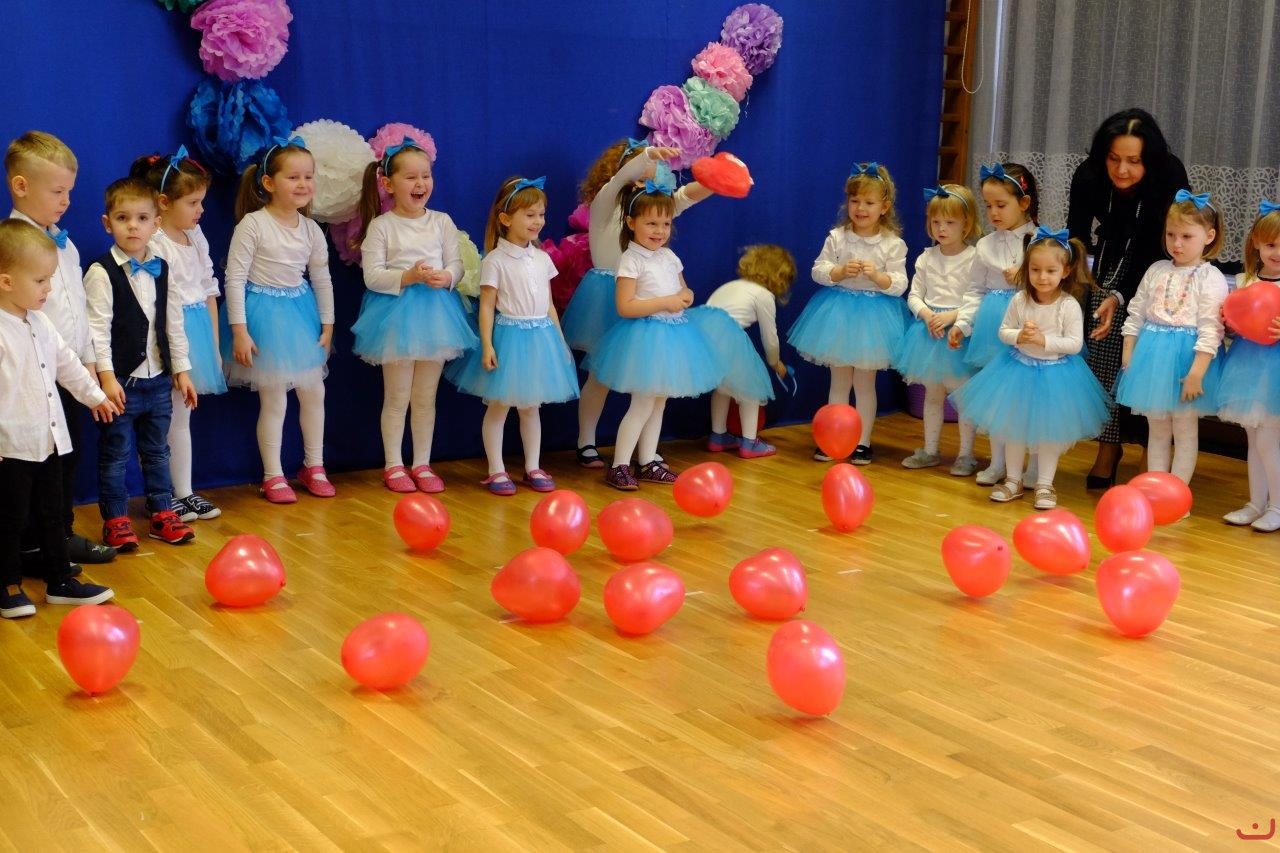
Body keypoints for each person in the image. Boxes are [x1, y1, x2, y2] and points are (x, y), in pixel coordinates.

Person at [562, 139, 712, 468]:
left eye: (653, 171)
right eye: (643, 170)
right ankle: (586, 441)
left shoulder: (649, 209)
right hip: (607, 295)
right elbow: (620, 180)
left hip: (647, 296)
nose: (648, 175)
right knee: (600, 375)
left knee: (649, 379)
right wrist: (645, 156)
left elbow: (684, 198)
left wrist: (717, 179)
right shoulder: (606, 204)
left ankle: (645, 451)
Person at [6, 130, 117, 567]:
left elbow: (78, 308)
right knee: (33, 468)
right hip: (33, 378)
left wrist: (90, 364)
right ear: (21, 186)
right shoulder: (12, 247)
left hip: (68, 372)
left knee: (66, 460)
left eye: (69, 191)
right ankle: (30, 545)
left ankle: (59, 535)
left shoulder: (64, 244)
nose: (66, 201)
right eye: (57, 191)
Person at [0, 220, 118, 618]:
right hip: (11, 448)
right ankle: (8, 584)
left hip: (50, 441)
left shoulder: (41, 322)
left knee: (54, 514)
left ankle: (60, 580)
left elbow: (67, 365)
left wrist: (95, 396)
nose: (48, 289)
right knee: (11, 518)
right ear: (6, 282)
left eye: (50, 279)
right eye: (40, 281)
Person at [1067, 108, 1190, 487]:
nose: (1122, 170)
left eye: (1134, 161)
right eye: (1114, 159)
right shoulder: (1088, 176)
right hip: (1109, 259)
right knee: (1102, 351)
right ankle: (1109, 445)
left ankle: (1151, 448)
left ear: (1149, 160)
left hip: (1161, 267)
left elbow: (1160, 242)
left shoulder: (1168, 175)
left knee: (1146, 360)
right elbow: (1076, 236)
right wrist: (1075, 287)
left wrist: (1122, 296)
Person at [951, 227, 1111, 509]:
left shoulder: (1068, 305)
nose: (1042, 277)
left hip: (1055, 375)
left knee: (1049, 436)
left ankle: (1045, 484)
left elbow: (1074, 344)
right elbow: (1003, 331)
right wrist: (1019, 336)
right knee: (1013, 430)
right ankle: (1013, 480)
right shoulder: (1019, 300)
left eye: (1050, 270)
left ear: (1066, 271)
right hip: (1017, 371)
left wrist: (1043, 340)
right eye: (1035, 270)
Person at [351, 138, 477, 493]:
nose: (420, 183)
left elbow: (456, 264)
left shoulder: (441, 222)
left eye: (426, 175)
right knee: (397, 397)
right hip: (396, 316)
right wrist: (407, 276)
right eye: (410, 177)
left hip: (437, 316)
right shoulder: (382, 226)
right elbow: (372, 276)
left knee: (425, 397)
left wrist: (447, 277)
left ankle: (422, 463)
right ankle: (393, 465)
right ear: (388, 184)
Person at [84, 177, 198, 548]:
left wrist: (181, 370)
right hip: (122, 383)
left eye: (142, 218)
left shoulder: (163, 268)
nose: (133, 226)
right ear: (107, 223)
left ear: (156, 224)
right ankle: (116, 519)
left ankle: (162, 512)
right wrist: (106, 378)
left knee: (157, 451)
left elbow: (173, 323)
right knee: (115, 454)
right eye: (123, 218)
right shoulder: (101, 272)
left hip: (159, 381)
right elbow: (97, 331)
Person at [447, 176, 579, 495]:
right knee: (499, 406)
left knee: (531, 407)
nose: (538, 221)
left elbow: (549, 304)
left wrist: (559, 341)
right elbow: (486, 306)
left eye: (541, 214)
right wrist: (487, 345)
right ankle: (496, 469)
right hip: (510, 339)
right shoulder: (495, 260)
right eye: (530, 215)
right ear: (506, 219)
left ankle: (532, 466)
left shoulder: (542, 258)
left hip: (541, 338)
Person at [590, 180, 724, 490]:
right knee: (642, 403)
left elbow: (682, 289)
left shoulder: (669, 257)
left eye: (665, 224)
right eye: (651, 223)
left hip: (673, 336)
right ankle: (619, 465)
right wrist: (665, 302)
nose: (659, 231)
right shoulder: (631, 259)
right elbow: (625, 306)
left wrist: (686, 295)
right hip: (645, 339)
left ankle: (648, 460)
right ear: (631, 223)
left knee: (659, 402)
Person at [223, 137, 336, 504]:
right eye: (293, 177)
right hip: (264, 317)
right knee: (274, 399)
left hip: (300, 315)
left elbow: (321, 278)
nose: (303, 184)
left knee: (314, 392)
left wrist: (328, 324)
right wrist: (239, 331)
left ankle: (314, 466)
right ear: (269, 183)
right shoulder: (253, 224)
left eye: (308, 177)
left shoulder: (311, 229)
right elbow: (234, 279)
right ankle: (273, 475)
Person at [788, 162, 908, 464]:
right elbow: (818, 270)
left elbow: (900, 284)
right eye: (855, 201)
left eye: (869, 202)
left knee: (865, 385)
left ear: (884, 207)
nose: (861, 208)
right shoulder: (837, 237)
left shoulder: (893, 244)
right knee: (839, 383)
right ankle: (834, 439)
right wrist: (839, 272)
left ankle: (862, 442)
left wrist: (878, 277)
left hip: (874, 319)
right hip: (838, 314)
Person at [134, 146, 226, 523]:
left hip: (196, 332)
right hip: (166, 334)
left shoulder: (196, 235)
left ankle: (184, 491)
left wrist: (214, 346)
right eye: (192, 203)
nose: (200, 210)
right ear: (164, 203)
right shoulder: (154, 241)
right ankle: (161, 494)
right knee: (159, 420)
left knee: (182, 419)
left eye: (201, 201)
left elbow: (208, 289)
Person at [1115, 191, 1229, 487]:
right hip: (1152, 358)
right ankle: (1156, 490)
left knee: (1185, 430)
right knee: (1157, 429)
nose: (1177, 243)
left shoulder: (1211, 277)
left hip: (1187, 361)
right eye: (1171, 235)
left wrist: (1196, 374)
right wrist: (1129, 352)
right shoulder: (1156, 270)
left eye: (1186, 236)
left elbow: (1211, 330)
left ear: (1209, 236)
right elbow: (1136, 313)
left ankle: (1177, 495)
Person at [949, 162, 1039, 485]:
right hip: (993, 329)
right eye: (988, 206)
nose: (993, 213)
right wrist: (963, 323)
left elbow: (1057, 285)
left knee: (1031, 399)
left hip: (1030, 325)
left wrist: (1026, 278)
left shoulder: (1040, 240)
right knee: (998, 398)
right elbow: (975, 290)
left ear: (1024, 203)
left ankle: (1034, 467)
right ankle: (999, 462)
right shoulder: (985, 245)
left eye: (1001, 205)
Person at [895, 184, 980, 474]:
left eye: (950, 222)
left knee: (963, 398)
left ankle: (966, 455)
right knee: (933, 395)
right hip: (929, 335)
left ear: (966, 223)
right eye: (936, 222)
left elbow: (975, 298)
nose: (941, 228)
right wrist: (927, 314)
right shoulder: (926, 258)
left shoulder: (974, 258)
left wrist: (952, 317)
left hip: (958, 335)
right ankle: (930, 450)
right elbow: (914, 296)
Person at [1218, 201, 1280, 530]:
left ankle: (1277, 507)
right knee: (1254, 440)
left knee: (1269, 440)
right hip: (1246, 366)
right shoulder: (1245, 281)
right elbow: (1238, 322)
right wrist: (1228, 324)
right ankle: (1256, 503)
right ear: (1256, 242)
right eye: (1271, 245)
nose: (1277, 253)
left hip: (1274, 373)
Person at [702, 244, 796, 458]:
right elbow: (770, 337)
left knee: (722, 388)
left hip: (703, 338)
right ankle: (749, 443)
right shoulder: (763, 295)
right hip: (728, 339)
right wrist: (775, 363)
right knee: (751, 391)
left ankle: (718, 436)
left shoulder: (731, 285)